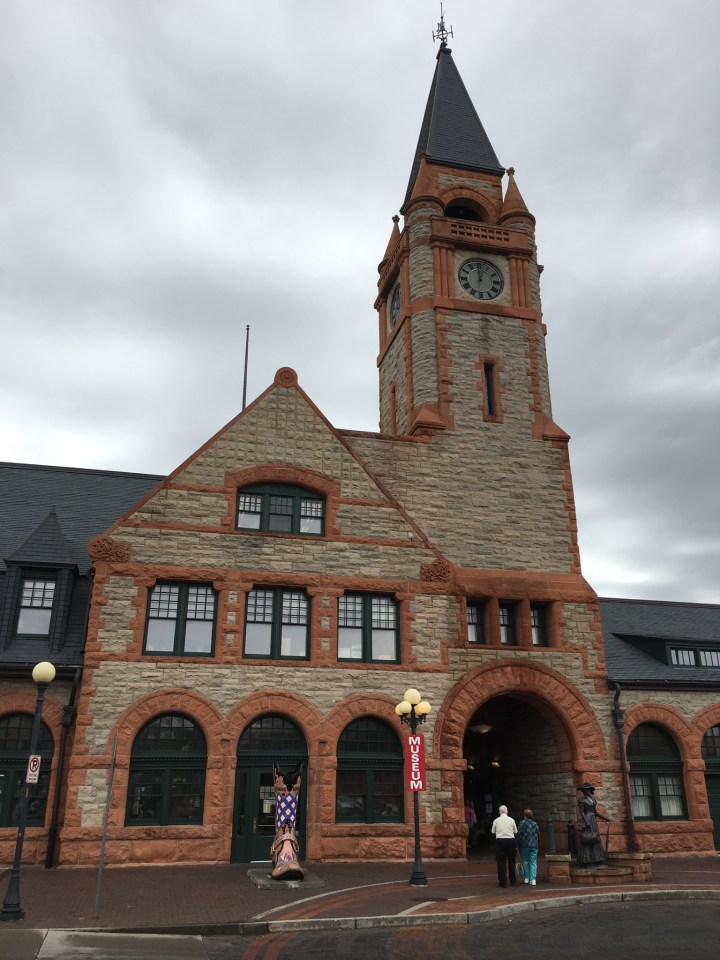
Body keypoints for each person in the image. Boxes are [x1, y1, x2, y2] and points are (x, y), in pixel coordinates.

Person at [576, 782, 610, 866]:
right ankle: (585, 860)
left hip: (593, 820)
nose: (586, 791)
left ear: (590, 790)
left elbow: (595, 812)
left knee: (595, 839)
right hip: (587, 820)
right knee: (587, 839)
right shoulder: (582, 800)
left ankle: (597, 859)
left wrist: (605, 818)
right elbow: (582, 812)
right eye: (584, 790)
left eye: (587, 789)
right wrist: (586, 822)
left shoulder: (593, 799)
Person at [490, 803, 517, 888]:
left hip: (500, 840)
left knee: (501, 862)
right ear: (507, 811)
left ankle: (503, 882)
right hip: (510, 840)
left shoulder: (496, 820)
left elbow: (492, 831)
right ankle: (512, 881)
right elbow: (515, 831)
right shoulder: (511, 820)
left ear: (499, 812)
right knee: (511, 861)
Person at [516, 807, 540, 885]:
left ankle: (526, 878)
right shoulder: (535, 824)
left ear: (524, 816)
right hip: (534, 845)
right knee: (533, 862)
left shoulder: (522, 823)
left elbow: (519, 834)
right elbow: (538, 834)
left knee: (525, 861)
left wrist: (517, 844)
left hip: (524, 845)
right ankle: (533, 880)